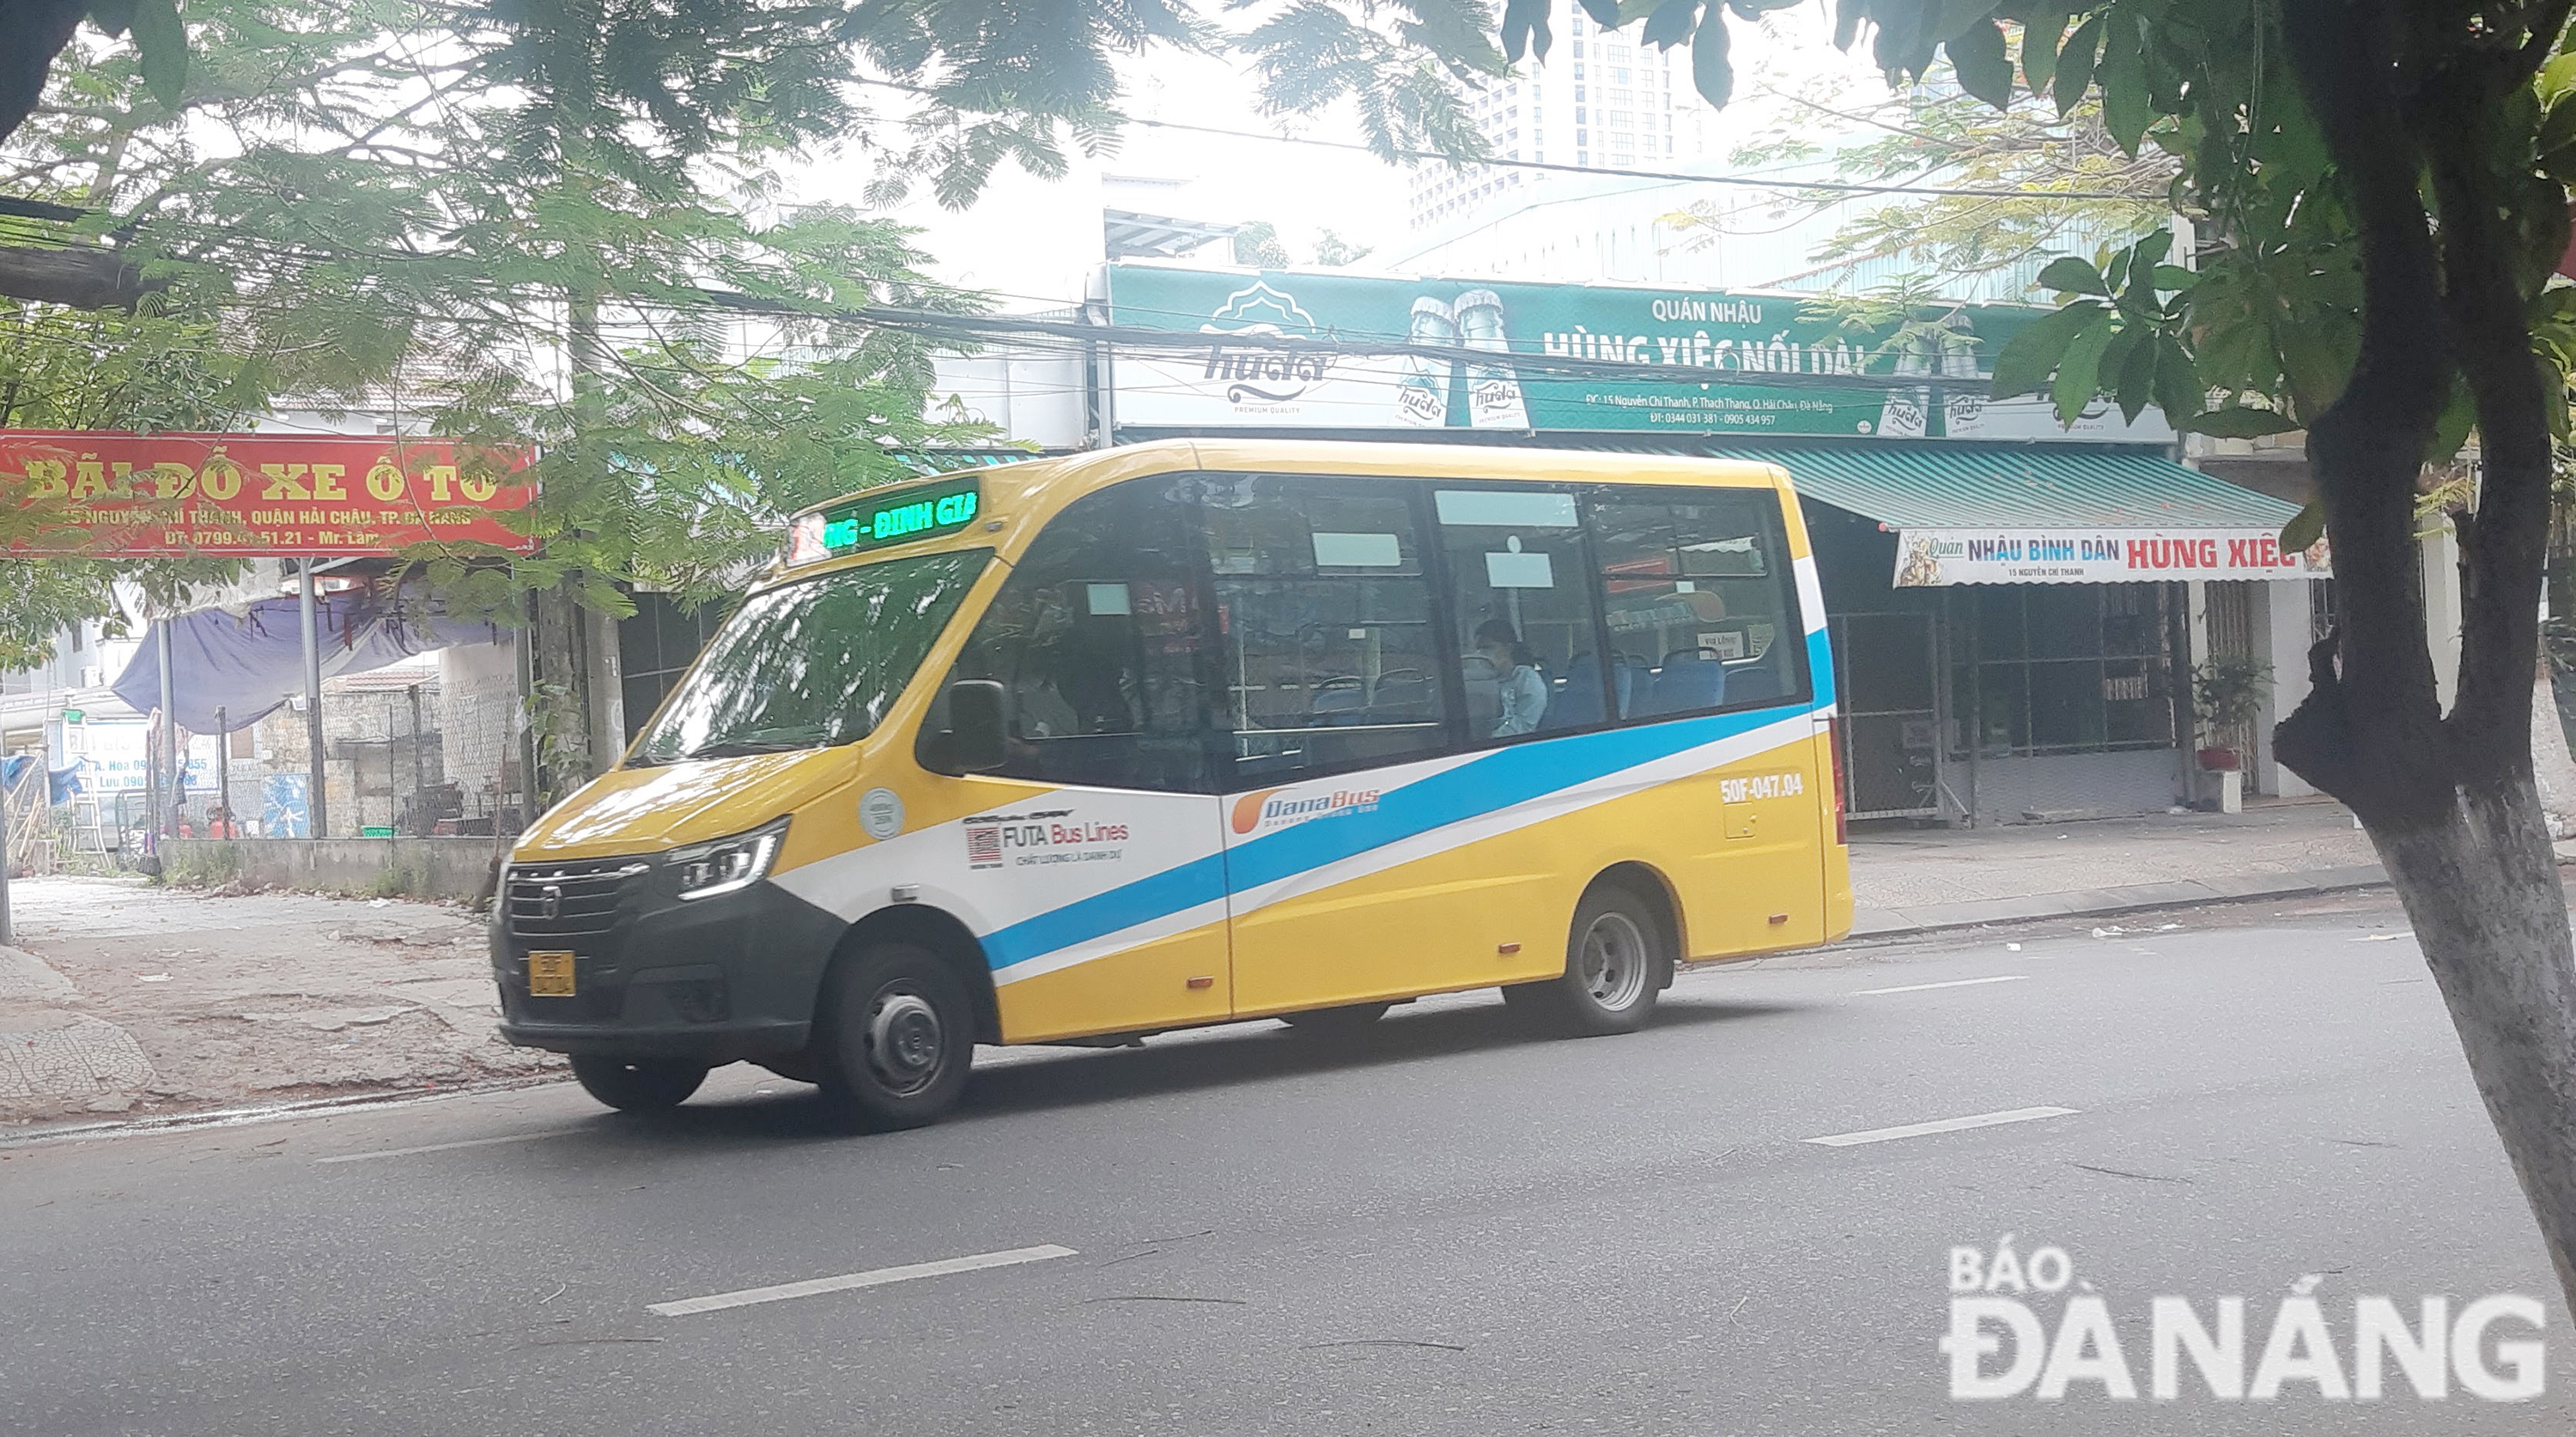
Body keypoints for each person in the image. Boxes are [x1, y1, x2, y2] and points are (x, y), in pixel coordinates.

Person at [1475, 619, 1547, 737]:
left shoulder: (1527, 679)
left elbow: (1524, 726)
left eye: (1487, 648)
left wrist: (1485, 741)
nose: (1481, 655)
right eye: (1478, 650)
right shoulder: (1484, 679)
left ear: (1508, 648)